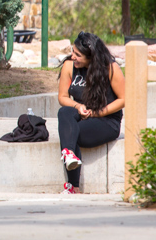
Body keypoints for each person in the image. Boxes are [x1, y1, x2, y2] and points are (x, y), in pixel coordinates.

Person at [57, 32, 125, 194]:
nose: (72, 56)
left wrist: (98, 113)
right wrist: (78, 106)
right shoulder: (69, 66)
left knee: (72, 133)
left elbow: (124, 99)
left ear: (91, 58)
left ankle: (73, 186)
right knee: (64, 112)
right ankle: (69, 154)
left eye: (78, 55)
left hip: (106, 120)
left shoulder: (110, 68)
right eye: (73, 51)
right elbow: (63, 97)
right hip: (82, 115)